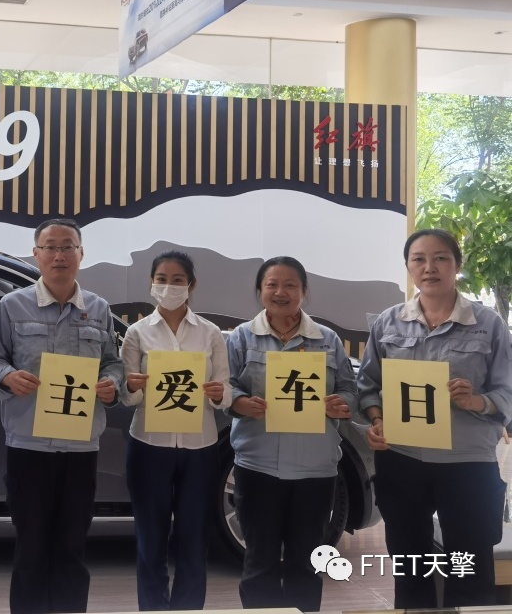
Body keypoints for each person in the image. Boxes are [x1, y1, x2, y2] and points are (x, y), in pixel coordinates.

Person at [358, 228, 512, 609]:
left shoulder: (488, 324)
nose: (430, 267)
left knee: (470, 566)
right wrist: (376, 420)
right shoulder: (388, 323)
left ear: (457, 265)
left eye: (441, 258)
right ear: (409, 268)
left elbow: (508, 390)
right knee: (410, 564)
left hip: (468, 464)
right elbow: (368, 385)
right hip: (402, 460)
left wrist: (477, 401)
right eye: (419, 259)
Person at [0, 218, 124, 614]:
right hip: (28, 445)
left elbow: (112, 363)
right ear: (36, 254)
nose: (59, 255)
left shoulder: (98, 308)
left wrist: (111, 384)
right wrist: (7, 376)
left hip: (80, 446)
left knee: (72, 548)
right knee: (31, 548)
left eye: (67, 246)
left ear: (81, 254)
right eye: (51, 247)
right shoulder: (12, 306)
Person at [226, 256, 355, 612]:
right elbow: (224, 386)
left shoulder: (327, 340)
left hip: (315, 471)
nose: (280, 292)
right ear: (260, 290)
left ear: (304, 291)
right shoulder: (241, 337)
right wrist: (239, 402)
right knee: (259, 563)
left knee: (306, 564)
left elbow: (350, 389)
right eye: (272, 285)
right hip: (258, 467)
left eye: (290, 285)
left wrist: (341, 403)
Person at [120, 251, 230, 611]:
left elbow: (226, 391)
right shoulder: (137, 333)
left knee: (194, 539)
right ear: (151, 283)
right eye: (162, 279)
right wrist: (132, 385)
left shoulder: (210, 333)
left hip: (200, 447)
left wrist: (218, 393)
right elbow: (128, 397)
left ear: (191, 285)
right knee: (150, 540)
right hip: (149, 445)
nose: (169, 286)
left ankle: (187, 609)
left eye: (178, 280)